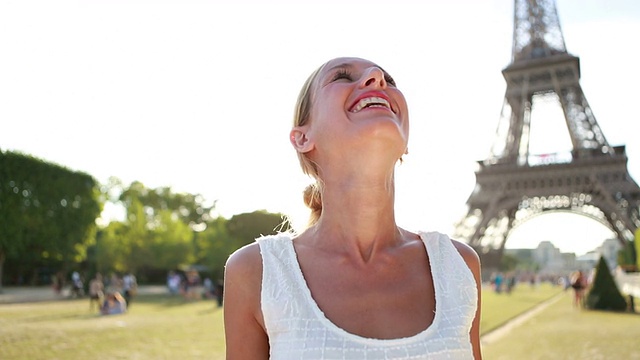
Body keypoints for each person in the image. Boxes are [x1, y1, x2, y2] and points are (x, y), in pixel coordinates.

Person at [223, 57, 483, 359]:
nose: (377, 77)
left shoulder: (459, 265)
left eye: (389, 79)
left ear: (406, 142)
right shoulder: (257, 271)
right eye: (342, 77)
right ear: (303, 137)